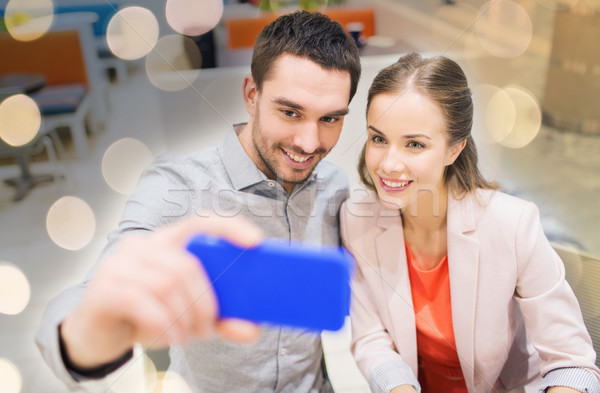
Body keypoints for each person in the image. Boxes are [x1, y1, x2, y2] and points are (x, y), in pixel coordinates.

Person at [36, 11, 361, 393]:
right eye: (290, 112)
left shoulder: (334, 186)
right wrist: (88, 334)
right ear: (252, 96)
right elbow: (89, 292)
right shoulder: (178, 187)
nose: (309, 143)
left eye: (330, 119)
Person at [340, 53, 600, 393]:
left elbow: (573, 364)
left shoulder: (513, 225)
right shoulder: (356, 220)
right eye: (378, 139)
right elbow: (371, 338)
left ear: (454, 149)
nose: (388, 164)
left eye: (414, 144)